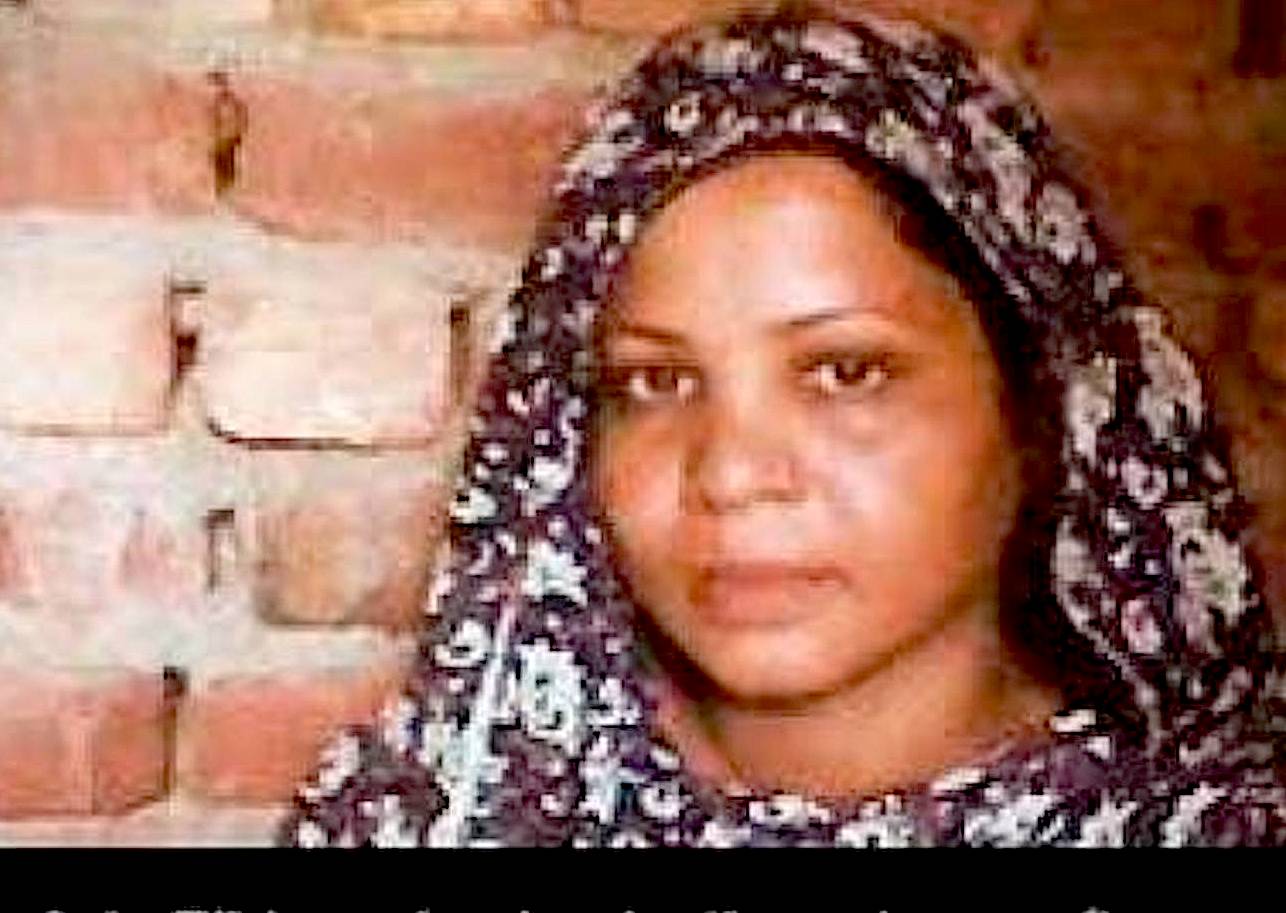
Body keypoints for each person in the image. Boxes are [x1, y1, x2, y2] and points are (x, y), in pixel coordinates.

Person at [275, 2, 1286, 847]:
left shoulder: (1206, 826)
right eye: (654, 382)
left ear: (1039, 408)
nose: (730, 473)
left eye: (845, 371)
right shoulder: (432, 817)